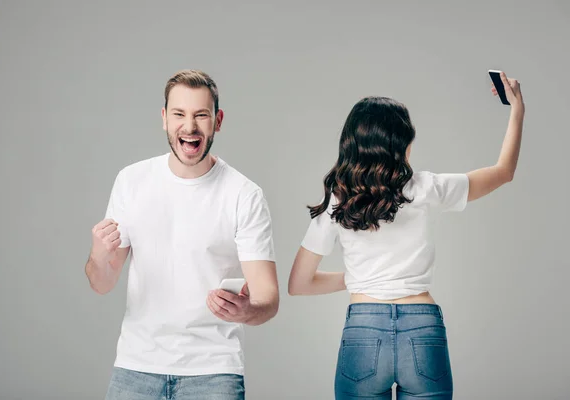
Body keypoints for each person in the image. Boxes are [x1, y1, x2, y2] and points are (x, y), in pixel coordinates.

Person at [288, 72, 524, 399]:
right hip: (423, 329)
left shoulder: (338, 200)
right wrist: (517, 109)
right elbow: (503, 172)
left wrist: (358, 278)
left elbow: (298, 284)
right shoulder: (426, 188)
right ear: (404, 145)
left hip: (363, 331)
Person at [85, 69, 280, 400]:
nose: (189, 126)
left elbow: (268, 299)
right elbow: (102, 283)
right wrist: (98, 254)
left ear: (217, 121)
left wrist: (245, 310)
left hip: (214, 372)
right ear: (164, 118)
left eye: (200, 115)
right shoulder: (131, 181)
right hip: (136, 367)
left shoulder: (243, 194)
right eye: (179, 114)